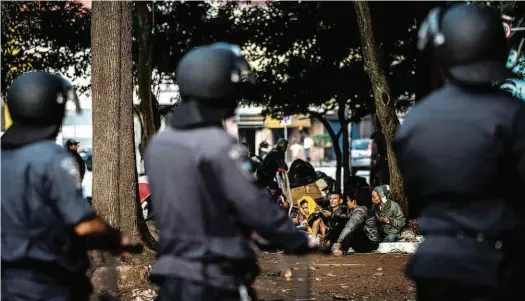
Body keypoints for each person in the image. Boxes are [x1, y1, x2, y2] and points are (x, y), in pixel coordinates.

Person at [144, 42, 318, 301]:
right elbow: (253, 203)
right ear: (220, 89)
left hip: (172, 275)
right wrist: (294, 237)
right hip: (215, 278)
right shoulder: (216, 144)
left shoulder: (158, 144)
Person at [394, 4, 525, 301]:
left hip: (435, 268)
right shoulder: (514, 117)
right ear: (498, 49)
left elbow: (416, 191)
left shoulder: (414, 122)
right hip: (500, 270)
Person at [1, 71, 140, 301]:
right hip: (49, 284)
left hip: (7, 283)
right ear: (52, 110)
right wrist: (115, 237)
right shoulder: (52, 157)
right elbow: (83, 224)